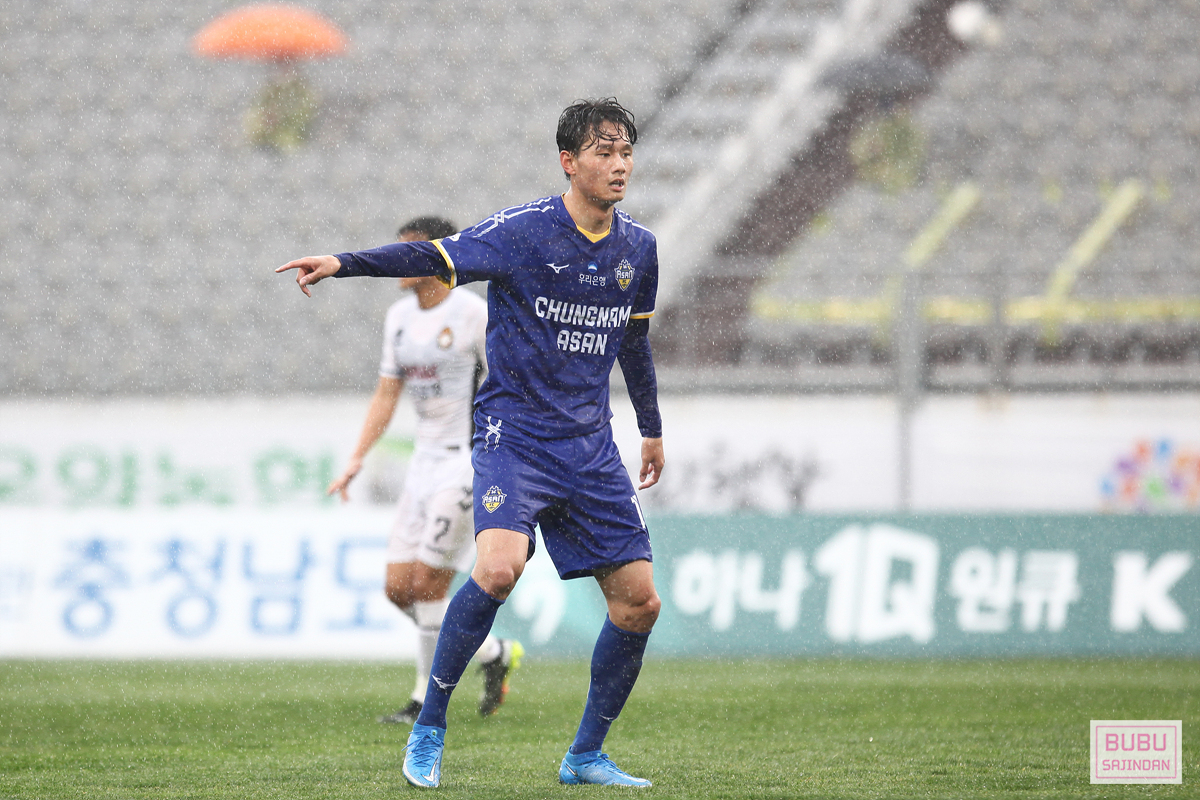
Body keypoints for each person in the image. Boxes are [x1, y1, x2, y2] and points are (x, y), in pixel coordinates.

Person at [278, 98, 665, 789]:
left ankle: (585, 756)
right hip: (514, 436)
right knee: (497, 570)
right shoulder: (522, 232)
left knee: (640, 603)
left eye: (626, 152)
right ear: (568, 162)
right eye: (604, 152)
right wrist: (344, 262)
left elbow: (633, 343)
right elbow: (428, 254)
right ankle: (430, 726)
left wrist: (652, 428)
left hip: (590, 445)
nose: (619, 165)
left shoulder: (639, 248)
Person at [328, 215, 523, 725]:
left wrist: (506, 454)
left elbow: (508, 383)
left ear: (435, 258)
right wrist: (357, 457)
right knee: (398, 589)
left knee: (428, 584)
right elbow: (386, 393)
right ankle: (493, 652)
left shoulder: (474, 314)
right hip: (423, 462)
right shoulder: (398, 317)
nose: (399, 262)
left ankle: (422, 701)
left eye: (408, 253)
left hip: (466, 461)